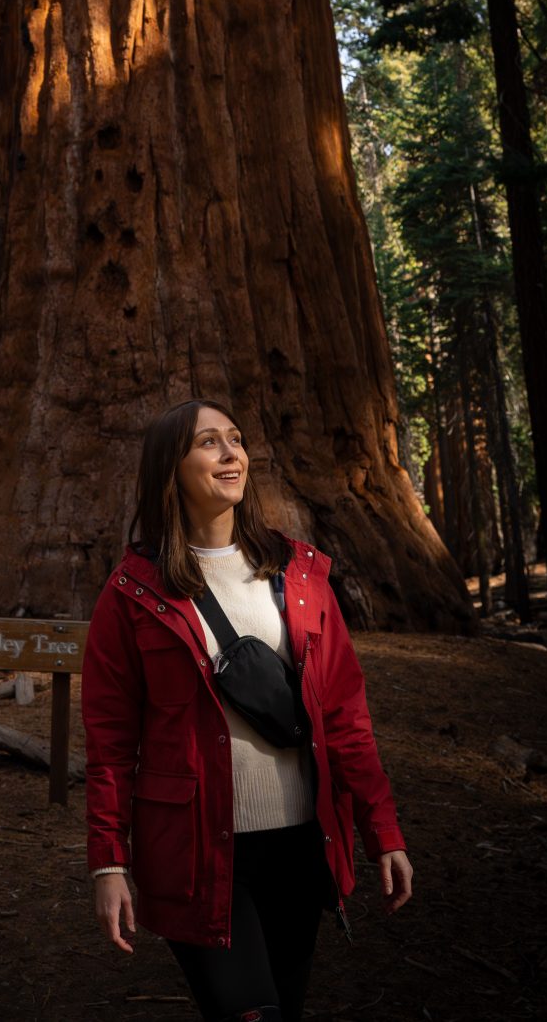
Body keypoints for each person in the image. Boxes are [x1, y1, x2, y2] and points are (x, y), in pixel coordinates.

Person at [81, 398, 413, 1022]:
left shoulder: (300, 573)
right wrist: (108, 861)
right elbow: (109, 742)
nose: (232, 453)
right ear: (169, 470)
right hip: (196, 851)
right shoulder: (131, 593)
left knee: (285, 1008)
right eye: (209, 443)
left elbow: (344, 718)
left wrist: (383, 833)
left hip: (298, 843)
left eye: (235, 439)